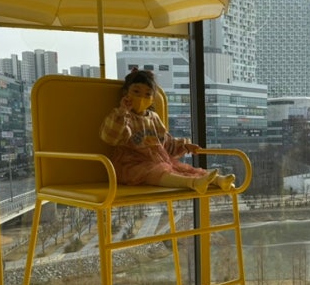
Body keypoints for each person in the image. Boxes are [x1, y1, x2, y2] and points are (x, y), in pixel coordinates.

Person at [100, 69, 235, 193]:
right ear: (125, 93)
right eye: (136, 92)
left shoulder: (154, 118)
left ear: (152, 98)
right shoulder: (121, 116)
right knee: (157, 172)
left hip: (158, 161)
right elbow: (111, 137)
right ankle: (193, 183)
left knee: (183, 169)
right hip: (132, 166)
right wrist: (123, 111)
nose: (142, 97)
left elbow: (166, 142)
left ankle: (219, 180)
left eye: (147, 94)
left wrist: (184, 146)